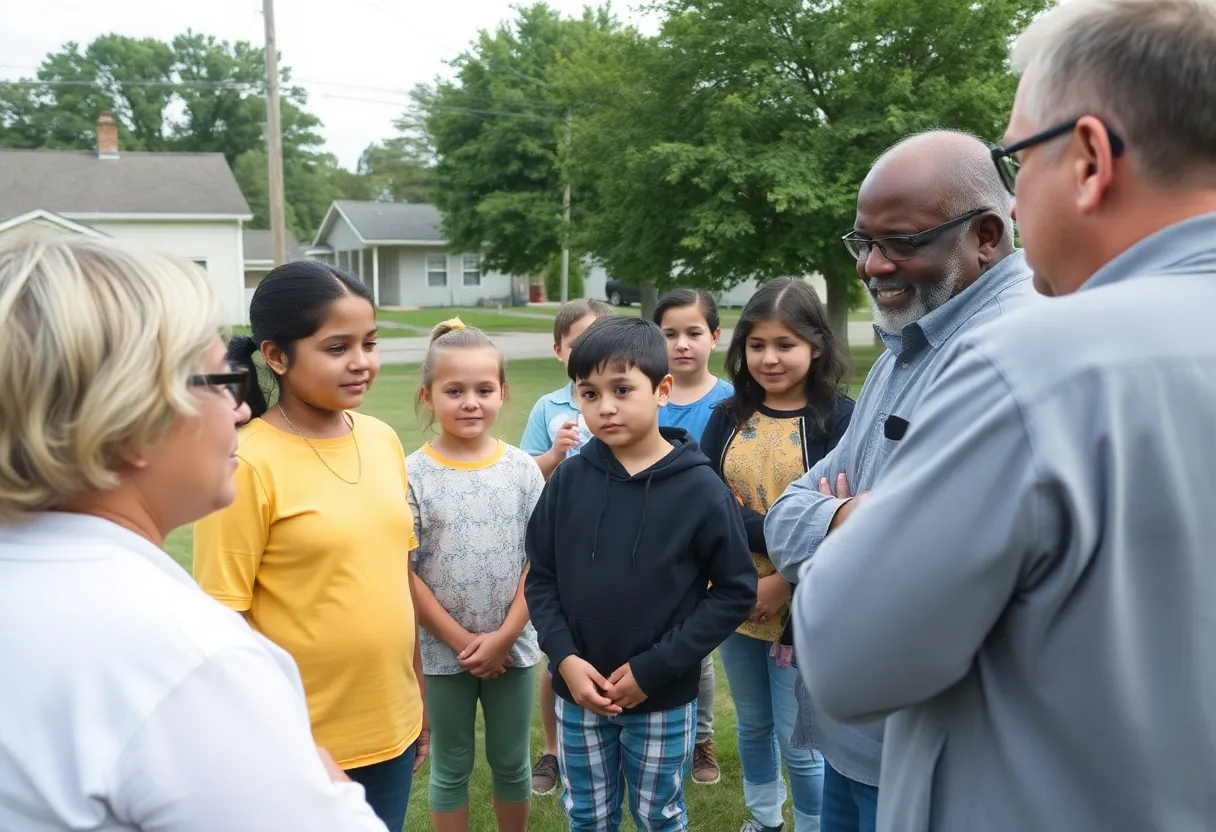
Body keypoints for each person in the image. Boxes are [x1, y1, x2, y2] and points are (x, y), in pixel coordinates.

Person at [779, 1, 1216, 829]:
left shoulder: (1036, 365)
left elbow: (845, 656)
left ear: (1088, 158)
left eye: (1018, 155)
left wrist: (842, 528)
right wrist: (850, 515)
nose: (1015, 199)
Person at [0, 233, 388, 831]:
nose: (239, 409)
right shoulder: (188, 658)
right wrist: (312, 774)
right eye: (219, 383)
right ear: (129, 419)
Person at [765, 130, 1036, 832]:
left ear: (984, 234)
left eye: (901, 242)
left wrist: (850, 521)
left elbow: (912, 570)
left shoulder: (1011, 351)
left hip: (938, 763)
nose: (872, 266)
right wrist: (848, 518)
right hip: (858, 745)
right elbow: (789, 511)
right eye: (863, 242)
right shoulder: (905, 347)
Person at [193, 261, 426, 832]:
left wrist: (417, 698)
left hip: (391, 727)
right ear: (276, 355)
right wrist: (276, 733)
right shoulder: (244, 461)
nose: (362, 362)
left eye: (370, 343)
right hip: (297, 740)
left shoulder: (383, 438)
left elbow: (396, 575)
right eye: (337, 346)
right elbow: (223, 617)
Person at [524, 316, 757, 831]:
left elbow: (735, 593)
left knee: (659, 816)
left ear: (662, 389)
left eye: (622, 389)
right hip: (578, 693)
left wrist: (656, 668)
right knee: (587, 816)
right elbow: (541, 577)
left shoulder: (701, 490)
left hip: (662, 697)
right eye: (589, 393)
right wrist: (563, 659)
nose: (605, 407)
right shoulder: (568, 480)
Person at [698, 278, 853, 832]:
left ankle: (812, 823)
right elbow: (710, 503)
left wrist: (783, 579)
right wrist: (745, 578)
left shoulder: (840, 420)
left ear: (816, 345)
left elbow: (843, 520)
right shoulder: (726, 415)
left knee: (801, 735)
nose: (769, 358)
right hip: (735, 596)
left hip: (805, 603)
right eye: (757, 345)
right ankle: (764, 820)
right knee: (753, 723)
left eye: (785, 344)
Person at [407, 319, 545, 832]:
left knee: (511, 762)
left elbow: (541, 563)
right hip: (444, 653)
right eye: (454, 390)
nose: (470, 402)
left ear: (502, 394)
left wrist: (504, 636)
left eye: (484, 390)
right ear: (428, 396)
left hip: (515, 647)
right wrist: (463, 640)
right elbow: (405, 571)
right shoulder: (411, 473)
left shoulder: (522, 470)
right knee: (451, 765)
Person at [518, 297, 614, 795]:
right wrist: (554, 453)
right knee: (557, 649)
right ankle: (553, 749)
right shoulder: (549, 407)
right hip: (565, 536)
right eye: (578, 343)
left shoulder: (624, 398)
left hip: (613, 538)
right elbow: (525, 471)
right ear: (560, 351)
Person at [653, 287, 734, 787]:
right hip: (653, 543)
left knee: (696, 650)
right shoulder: (647, 391)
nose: (682, 344)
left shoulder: (730, 400)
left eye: (693, 333)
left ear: (715, 337)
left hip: (706, 541)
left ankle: (700, 739)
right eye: (669, 334)